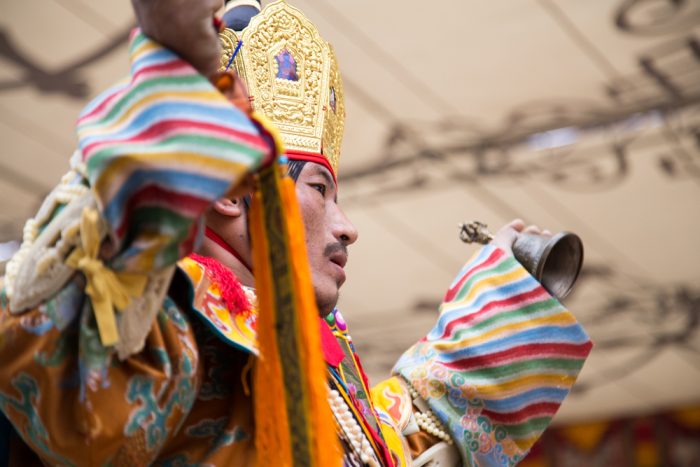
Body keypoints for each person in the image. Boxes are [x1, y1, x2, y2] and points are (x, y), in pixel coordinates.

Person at [0, 0, 592, 465]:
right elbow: (56, 359)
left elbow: (409, 441)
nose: (348, 227)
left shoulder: (313, 368)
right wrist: (174, 75)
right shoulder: (169, 333)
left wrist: (498, 304)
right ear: (232, 191)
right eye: (319, 190)